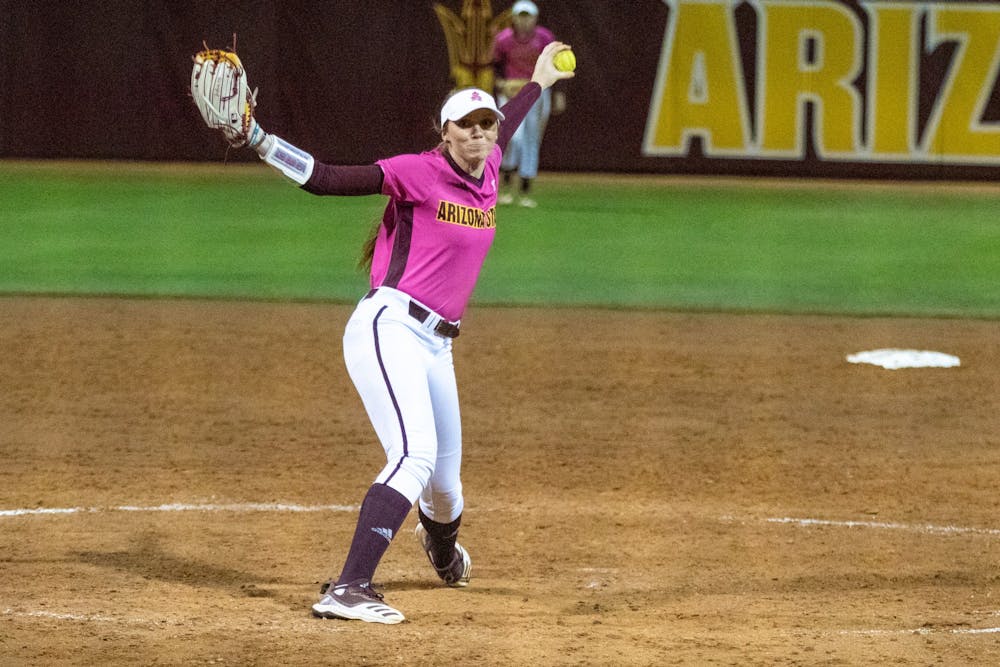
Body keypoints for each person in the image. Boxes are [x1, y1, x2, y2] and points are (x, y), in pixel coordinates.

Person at [194, 42, 573, 624]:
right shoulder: (418, 171)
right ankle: (348, 588)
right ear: (444, 133)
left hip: (438, 344)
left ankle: (442, 555)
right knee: (413, 455)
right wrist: (259, 141)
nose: (477, 134)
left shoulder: (491, 167)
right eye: (464, 125)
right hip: (389, 326)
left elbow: (514, 117)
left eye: (486, 125)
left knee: (446, 490)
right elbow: (324, 179)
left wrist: (538, 83)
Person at [492, 0, 566, 208]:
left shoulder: (544, 38)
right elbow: (496, 66)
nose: (524, 20)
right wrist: (500, 84)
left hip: (538, 89)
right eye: (520, 16)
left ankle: (525, 190)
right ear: (514, 18)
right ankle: (505, 186)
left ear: (535, 18)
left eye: (528, 16)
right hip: (512, 91)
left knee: (531, 140)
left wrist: (558, 92)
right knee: (512, 138)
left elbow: (557, 65)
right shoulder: (504, 39)